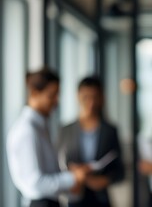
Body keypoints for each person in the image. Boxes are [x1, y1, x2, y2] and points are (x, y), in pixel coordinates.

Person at [7, 68, 90, 207]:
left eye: (57, 95)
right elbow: (36, 183)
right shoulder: (27, 130)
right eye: (51, 95)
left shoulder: (40, 127)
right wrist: (72, 178)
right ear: (34, 93)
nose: (56, 101)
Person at [57, 76, 125, 207]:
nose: (91, 103)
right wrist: (74, 173)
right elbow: (57, 164)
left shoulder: (110, 131)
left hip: (100, 199)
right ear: (78, 97)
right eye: (85, 97)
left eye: (95, 97)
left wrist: (104, 180)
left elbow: (120, 171)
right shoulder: (65, 130)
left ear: (102, 98)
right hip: (74, 196)